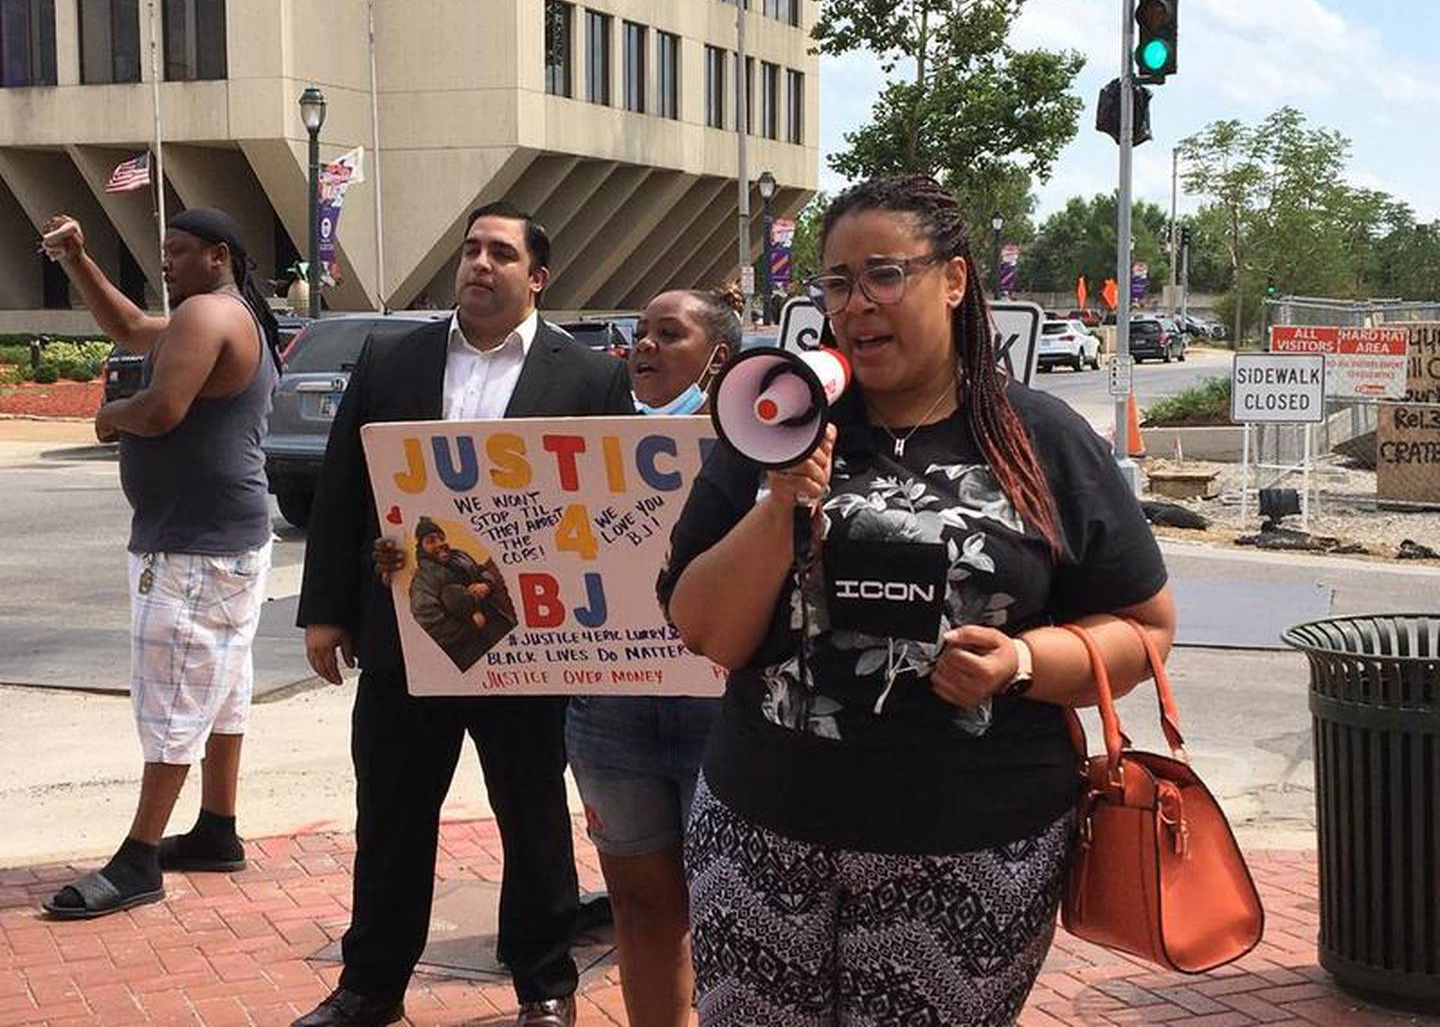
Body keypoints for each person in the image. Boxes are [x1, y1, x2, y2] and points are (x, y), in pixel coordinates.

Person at [660, 176, 1176, 1025]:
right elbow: (703, 628)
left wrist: (1019, 663)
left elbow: (1146, 629)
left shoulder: (1039, 436)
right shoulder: (775, 419)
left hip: (973, 840)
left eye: (884, 275)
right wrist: (783, 499)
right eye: (835, 282)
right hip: (763, 829)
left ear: (955, 280)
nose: (856, 304)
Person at [293, 202, 633, 1027]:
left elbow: (614, 509)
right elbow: (346, 486)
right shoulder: (393, 359)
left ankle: (545, 985)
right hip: (407, 633)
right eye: (472, 249)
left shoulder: (589, 377)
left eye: (501, 253)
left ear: (536, 277)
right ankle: (370, 987)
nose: (480, 263)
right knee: (391, 816)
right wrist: (326, 612)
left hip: (532, 645)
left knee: (533, 819)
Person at [37, 208, 280, 919]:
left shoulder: (208, 313)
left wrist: (113, 413)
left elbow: (165, 409)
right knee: (224, 686)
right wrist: (79, 259)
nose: (166, 261)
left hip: (195, 547)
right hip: (224, 539)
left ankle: (139, 859)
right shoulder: (221, 314)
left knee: (174, 697)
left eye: (179, 251)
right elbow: (129, 329)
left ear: (219, 256)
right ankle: (216, 830)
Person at [564, 287, 742, 1026]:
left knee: (734, 911)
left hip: (724, 711)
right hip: (610, 714)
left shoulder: (765, 450)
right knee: (640, 907)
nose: (645, 346)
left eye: (669, 334)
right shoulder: (576, 448)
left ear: (718, 358)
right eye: (639, 333)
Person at [407, 516, 517, 671]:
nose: (439, 544)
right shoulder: (422, 581)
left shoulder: (460, 556)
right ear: (420, 547)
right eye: (431, 541)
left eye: (441, 538)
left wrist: (485, 585)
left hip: (497, 626)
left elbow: (481, 571)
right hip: (468, 650)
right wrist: (471, 626)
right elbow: (429, 623)